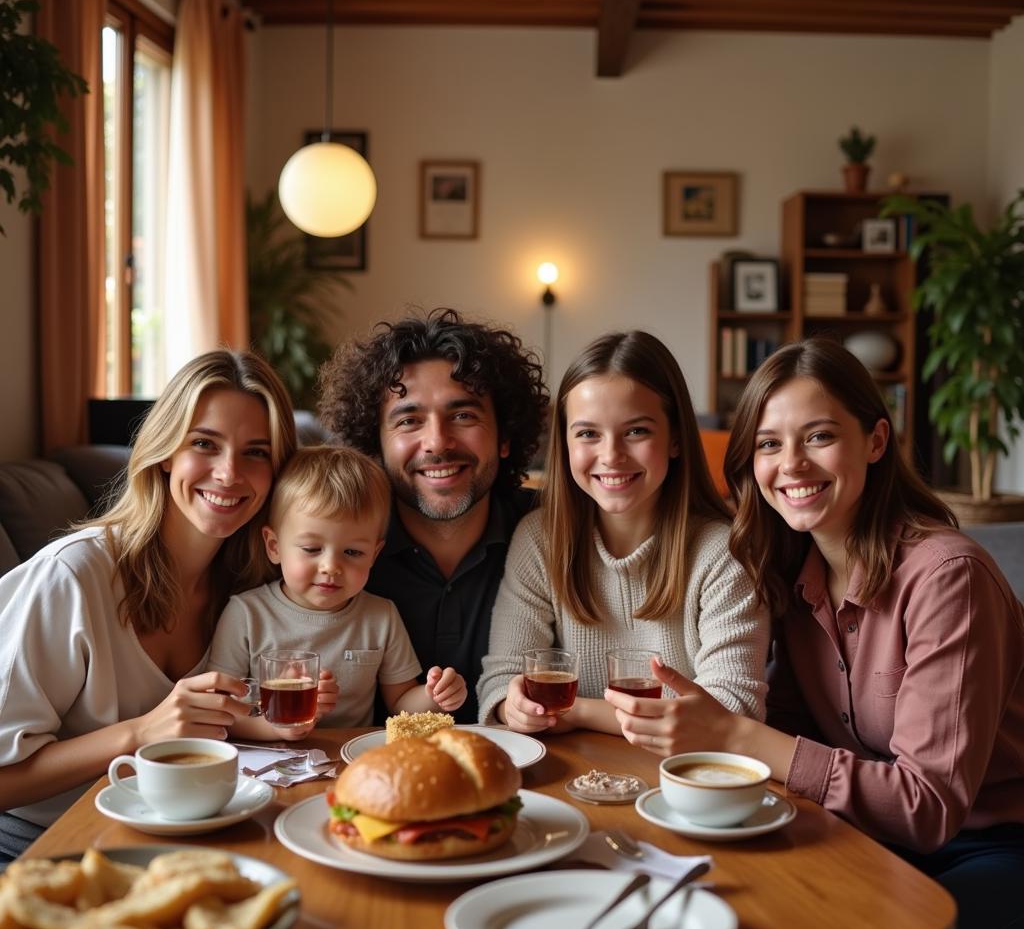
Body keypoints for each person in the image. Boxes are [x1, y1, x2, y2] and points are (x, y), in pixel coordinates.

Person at [606, 338, 1024, 929]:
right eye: (769, 445)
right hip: (869, 838)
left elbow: (926, 809)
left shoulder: (950, 578)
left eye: (820, 436)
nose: (791, 464)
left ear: (876, 440)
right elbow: (796, 734)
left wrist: (736, 735)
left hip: (997, 848)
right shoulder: (795, 572)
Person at [0, 350, 297, 860]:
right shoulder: (74, 576)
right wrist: (139, 733)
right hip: (40, 849)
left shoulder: (255, 584)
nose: (229, 474)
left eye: (256, 452)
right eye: (204, 444)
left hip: (177, 838)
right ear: (165, 453)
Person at [476, 330, 769, 734]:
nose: (611, 455)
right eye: (588, 433)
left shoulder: (724, 551)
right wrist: (515, 708)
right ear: (564, 443)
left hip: (681, 783)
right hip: (570, 777)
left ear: (676, 440)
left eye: (636, 431)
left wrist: (575, 711)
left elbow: (734, 712)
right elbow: (501, 681)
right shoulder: (540, 539)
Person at [317, 307, 548, 722]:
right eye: (409, 420)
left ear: (505, 437)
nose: (437, 442)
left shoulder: (553, 533)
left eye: (463, 415)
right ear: (376, 445)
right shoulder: (329, 547)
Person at [208, 444, 467, 729]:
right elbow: (220, 710)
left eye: (352, 552)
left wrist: (435, 696)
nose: (330, 567)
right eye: (311, 548)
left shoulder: (380, 616)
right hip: (267, 763)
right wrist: (288, 722)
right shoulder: (245, 614)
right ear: (274, 546)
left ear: (374, 555)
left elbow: (400, 702)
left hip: (353, 760)